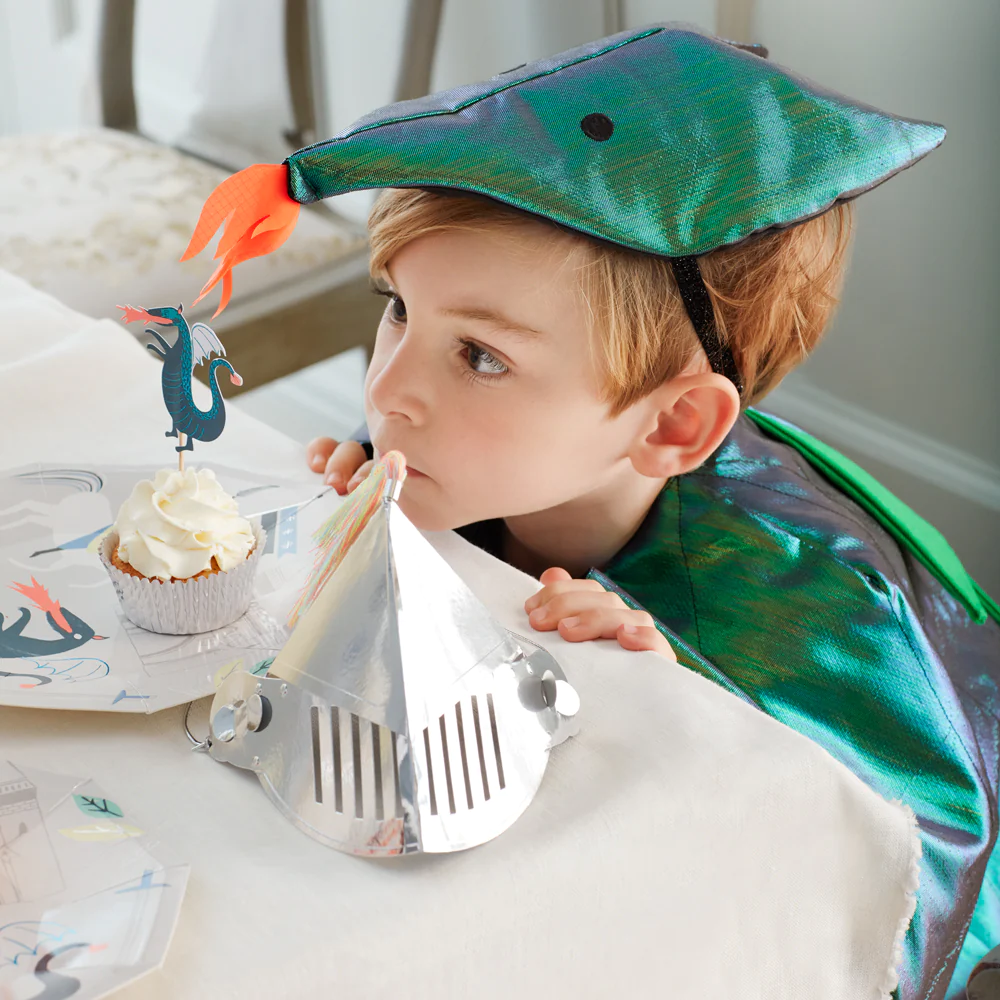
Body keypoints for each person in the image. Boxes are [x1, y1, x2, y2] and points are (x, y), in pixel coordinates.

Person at [183, 25, 999, 996]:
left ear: (672, 425)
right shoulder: (483, 456)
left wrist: (677, 710)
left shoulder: (823, 612)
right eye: (398, 307)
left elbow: (892, 900)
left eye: (480, 356)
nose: (387, 389)